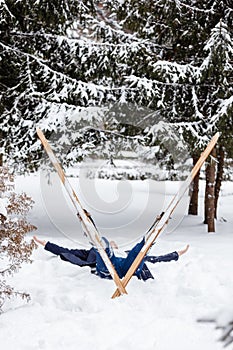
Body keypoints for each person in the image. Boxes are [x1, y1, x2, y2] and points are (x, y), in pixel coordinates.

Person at [33, 235, 189, 281]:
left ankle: (147, 240)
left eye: (114, 243)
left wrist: (176, 254)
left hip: (127, 268)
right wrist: (45, 244)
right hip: (106, 267)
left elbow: (157, 259)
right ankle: (101, 244)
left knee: (137, 254)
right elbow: (66, 251)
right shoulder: (92, 254)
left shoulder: (125, 252)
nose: (115, 243)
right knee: (104, 252)